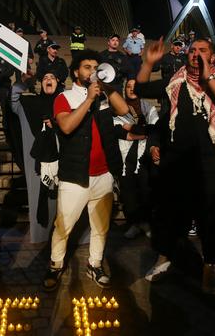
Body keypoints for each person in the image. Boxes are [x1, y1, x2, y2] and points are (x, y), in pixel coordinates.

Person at [136, 37, 215, 293]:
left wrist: (208, 79)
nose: (195, 54)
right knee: (169, 215)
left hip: (211, 165)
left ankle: (209, 264)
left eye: (203, 51)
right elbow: (140, 89)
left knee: (209, 218)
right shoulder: (175, 82)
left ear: (214, 57)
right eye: (192, 50)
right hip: (176, 162)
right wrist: (148, 62)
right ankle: (165, 258)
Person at [42, 49, 129, 291]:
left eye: (95, 67)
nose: (92, 71)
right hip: (75, 176)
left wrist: (107, 89)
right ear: (75, 72)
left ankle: (95, 264)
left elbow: (123, 111)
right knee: (64, 225)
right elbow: (67, 127)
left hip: (104, 174)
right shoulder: (65, 97)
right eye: (87, 67)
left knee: (101, 226)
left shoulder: (103, 94)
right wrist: (89, 99)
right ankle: (56, 264)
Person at [11, 72, 61, 243]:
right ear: (41, 83)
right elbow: (14, 101)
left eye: (52, 78)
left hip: (61, 158)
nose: (49, 80)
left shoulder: (64, 103)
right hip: (36, 160)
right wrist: (23, 82)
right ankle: (40, 236)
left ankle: (61, 235)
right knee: (37, 196)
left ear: (58, 82)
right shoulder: (30, 102)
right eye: (46, 77)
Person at [114, 79, 158, 239]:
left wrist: (131, 129)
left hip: (144, 157)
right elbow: (118, 131)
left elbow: (154, 129)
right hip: (126, 157)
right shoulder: (117, 107)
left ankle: (146, 223)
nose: (131, 89)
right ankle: (134, 223)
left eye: (135, 86)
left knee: (145, 191)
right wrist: (142, 131)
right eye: (128, 86)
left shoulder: (148, 107)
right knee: (128, 193)